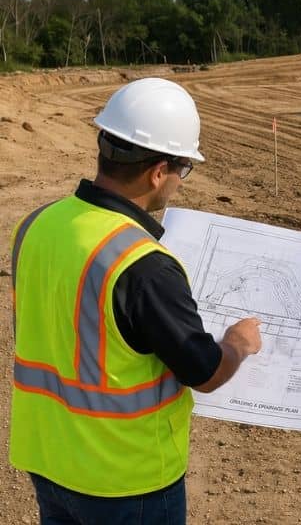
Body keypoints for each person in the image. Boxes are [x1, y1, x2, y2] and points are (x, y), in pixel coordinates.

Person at [8, 77, 262, 525]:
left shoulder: (34, 225)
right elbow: (204, 372)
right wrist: (238, 343)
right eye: (183, 169)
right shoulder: (144, 265)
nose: (179, 183)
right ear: (158, 171)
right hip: (124, 481)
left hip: (47, 459)